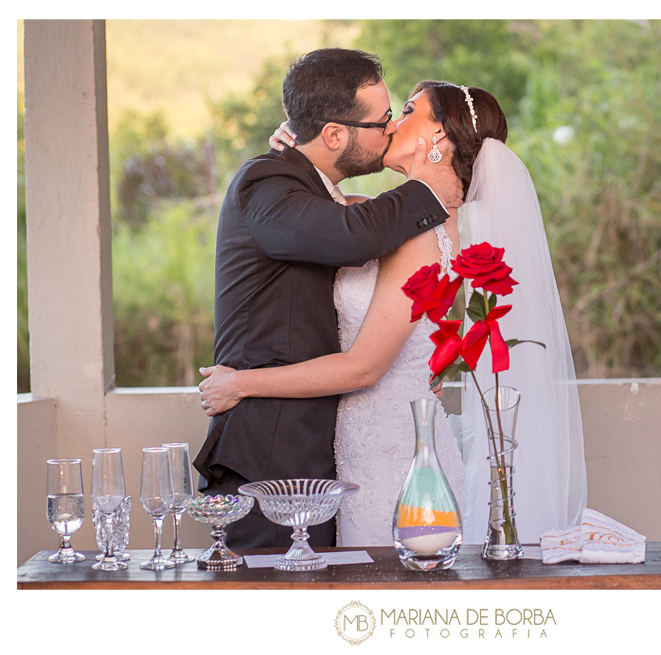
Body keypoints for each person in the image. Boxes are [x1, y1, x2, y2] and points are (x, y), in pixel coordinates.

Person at [200, 80, 588, 546]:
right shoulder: (403, 219)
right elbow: (326, 220)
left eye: (407, 110)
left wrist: (240, 383)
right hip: (363, 445)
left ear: (439, 138)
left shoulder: (422, 236)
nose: (391, 124)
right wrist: (302, 145)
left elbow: (364, 366)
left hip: (389, 457)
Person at [192, 49, 464, 550]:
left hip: (336, 452)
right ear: (334, 134)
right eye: (383, 119)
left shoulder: (326, 195)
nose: (389, 129)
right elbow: (351, 236)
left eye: (399, 116)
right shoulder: (267, 181)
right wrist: (428, 190)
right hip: (272, 454)